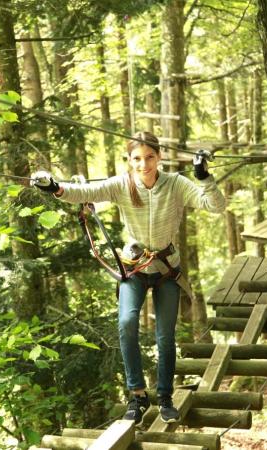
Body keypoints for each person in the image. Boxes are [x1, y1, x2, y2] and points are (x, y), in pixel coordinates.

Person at [32, 131, 226, 426]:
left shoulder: (175, 184)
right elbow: (84, 193)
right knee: (126, 323)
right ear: (129, 160)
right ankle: (137, 396)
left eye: (150, 157)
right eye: (137, 158)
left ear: (159, 157)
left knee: (165, 336)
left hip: (165, 270)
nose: (144, 164)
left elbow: (216, 206)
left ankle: (165, 398)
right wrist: (55, 187)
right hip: (133, 268)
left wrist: (202, 175)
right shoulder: (122, 184)